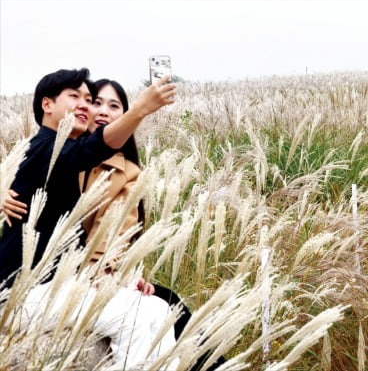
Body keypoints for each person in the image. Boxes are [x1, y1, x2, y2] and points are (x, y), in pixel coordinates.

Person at [2, 79, 225, 370]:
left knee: (165, 306)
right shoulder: (56, 150)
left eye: (114, 105)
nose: (101, 110)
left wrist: (115, 275)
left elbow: (114, 235)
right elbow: (25, 175)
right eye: (95, 102)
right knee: (144, 314)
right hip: (34, 280)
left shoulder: (122, 172)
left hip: (85, 272)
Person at [0, 68, 175, 287]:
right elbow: (89, 150)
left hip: (69, 278)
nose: (89, 106)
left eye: (88, 100)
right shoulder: (50, 149)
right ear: (47, 105)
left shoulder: (118, 170)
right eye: (75, 96)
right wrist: (140, 110)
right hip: (27, 286)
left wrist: (120, 278)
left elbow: (106, 241)